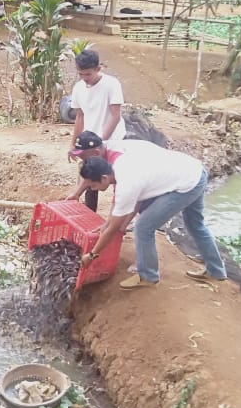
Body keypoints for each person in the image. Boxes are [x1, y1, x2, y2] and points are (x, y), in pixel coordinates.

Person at [77, 141, 227, 290]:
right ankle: (216, 271)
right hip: (194, 171)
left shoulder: (126, 184)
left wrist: (91, 255)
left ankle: (148, 276)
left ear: (104, 178)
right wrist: (112, 224)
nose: (92, 189)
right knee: (195, 225)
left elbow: (113, 228)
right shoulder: (119, 167)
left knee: (143, 227)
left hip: (186, 184)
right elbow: (134, 205)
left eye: (92, 185)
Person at [67, 48, 125, 162]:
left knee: (110, 174)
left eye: (88, 74)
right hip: (90, 142)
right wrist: (74, 144)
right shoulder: (78, 88)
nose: (84, 78)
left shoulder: (111, 84)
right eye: (81, 74)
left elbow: (115, 116)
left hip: (113, 141)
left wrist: (101, 142)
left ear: (98, 69)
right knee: (88, 173)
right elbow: (80, 116)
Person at [64, 130, 124, 212]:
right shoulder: (101, 149)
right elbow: (90, 173)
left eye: (84, 158)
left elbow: (120, 196)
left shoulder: (117, 163)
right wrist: (77, 193)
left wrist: (111, 223)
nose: (83, 161)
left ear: (96, 153)